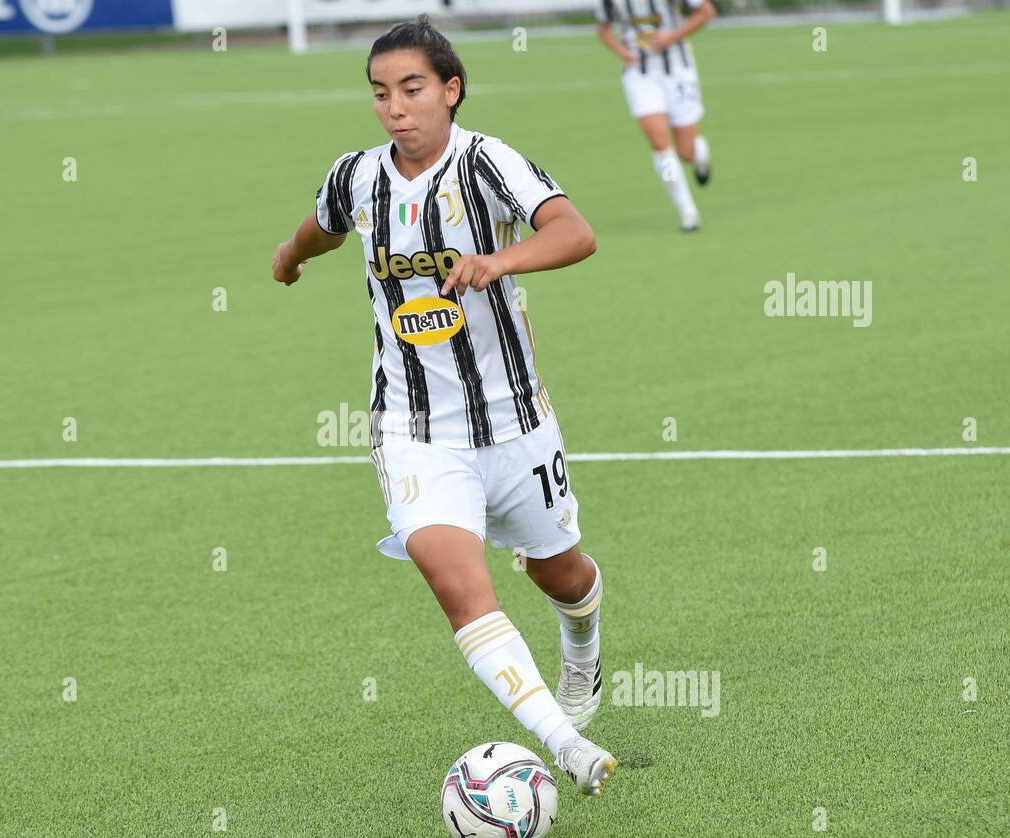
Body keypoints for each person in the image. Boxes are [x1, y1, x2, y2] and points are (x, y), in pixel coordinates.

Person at [272, 16, 618, 796]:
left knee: (558, 571)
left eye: (412, 89)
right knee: (450, 571)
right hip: (413, 425)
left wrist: (498, 260)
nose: (395, 107)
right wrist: (288, 257)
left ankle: (583, 640)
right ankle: (564, 744)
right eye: (380, 93)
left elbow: (576, 231)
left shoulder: (486, 162)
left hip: (515, 420)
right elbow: (320, 228)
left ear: (451, 90)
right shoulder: (357, 177)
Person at [594, 0, 717, 231]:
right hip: (640, 76)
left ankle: (699, 153)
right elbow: (603, 29)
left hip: (679, 71)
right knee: (660, 144)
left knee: (686, 152)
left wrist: (671, 37)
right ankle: (688, 211)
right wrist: (623, 52)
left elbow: (706, 12)